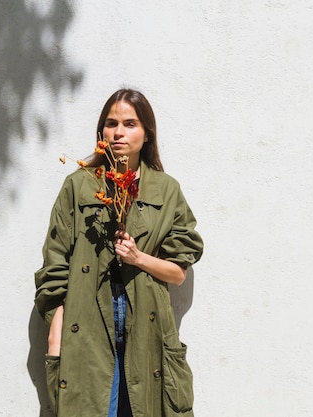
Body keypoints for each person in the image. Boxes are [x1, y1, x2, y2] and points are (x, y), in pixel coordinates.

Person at [34, 88, 203, 417]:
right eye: (111, 123)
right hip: (88, 318)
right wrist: (56, 337)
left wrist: (138, 258)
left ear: (146, 133)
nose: (119, 132)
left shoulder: (166, 191)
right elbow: (54, 265)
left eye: (130, 124)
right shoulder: (79, 186)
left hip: (146, 319)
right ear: (101, 132)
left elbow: (178, 272)